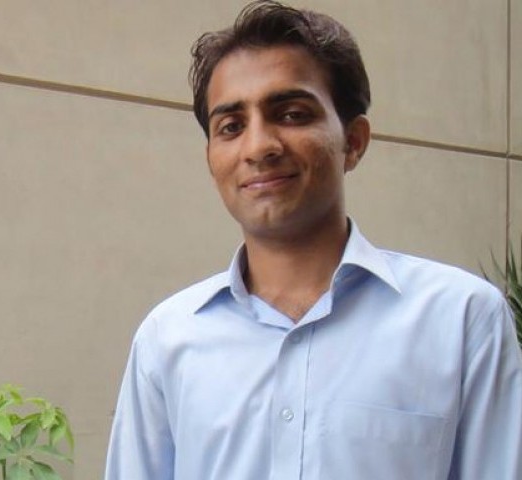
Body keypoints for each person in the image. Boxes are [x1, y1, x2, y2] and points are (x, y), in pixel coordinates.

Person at [104, 1, 522, 479]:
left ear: (354, 141)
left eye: (291, 114)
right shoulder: (167, 338)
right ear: (211, 158)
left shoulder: (461, 319)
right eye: (231, 127)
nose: (259, 147)